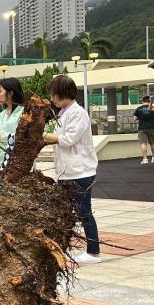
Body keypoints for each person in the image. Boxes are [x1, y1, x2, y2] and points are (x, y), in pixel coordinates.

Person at [41, 75, 101, 264]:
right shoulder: (65, 112)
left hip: (80, 172)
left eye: (54, 94)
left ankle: (93, 252)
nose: (52, 98)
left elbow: (67, 140)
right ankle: (66, 248)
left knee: (84, 212)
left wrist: (44, 136)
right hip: (68, 171)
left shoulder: (78, 113)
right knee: (67, 211)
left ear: (63, 93)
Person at [133, 95, 154, 164]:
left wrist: (140, 118)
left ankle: (145, 159)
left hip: (142, 128)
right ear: (149, 101)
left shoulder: (138, 108)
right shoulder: (153, 108)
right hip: (152, 127)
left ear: (142, 101)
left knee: (143, 143)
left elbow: (134, 119)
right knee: (152, 143)